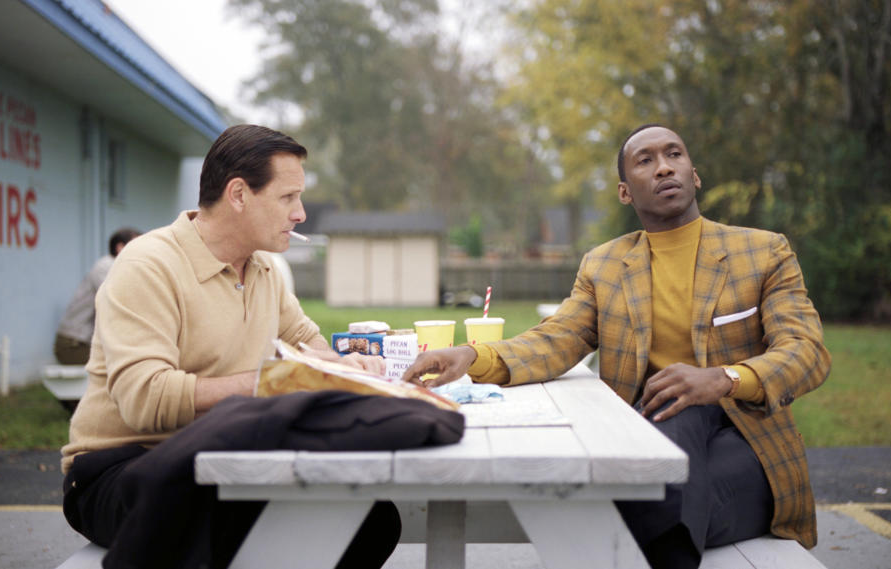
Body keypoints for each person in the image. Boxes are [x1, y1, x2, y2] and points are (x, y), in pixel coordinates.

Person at [402, 124, 831, 568]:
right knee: (665, 462)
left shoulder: (762, 252)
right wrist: (472, 356)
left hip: (747, 439)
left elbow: (806, 350)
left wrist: (721, 379)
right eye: (646, 160)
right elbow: (558, 338)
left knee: (634, 498)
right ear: (626, 193)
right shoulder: (604, 265)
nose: (664, 167)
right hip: (650, 436)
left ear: (695, 174)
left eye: (674, 155)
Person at [60, 125, 463, 569]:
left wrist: (349, 366)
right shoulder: (147, 265)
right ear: (238, 194)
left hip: (217, 458)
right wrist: (276, 382)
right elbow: (146, 400)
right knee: (266, 524)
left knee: (371, 519)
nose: (301, 214)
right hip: (120, 470)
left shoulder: (263, 269)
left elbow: (307, 344)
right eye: (288, 198)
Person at [53, 227, 141, 365]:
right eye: (136, 245)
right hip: (72, 345)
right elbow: (121, 301)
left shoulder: (119, 267)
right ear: (120, 247)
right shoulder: (106, 267)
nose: (142, 250)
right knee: (124, 365)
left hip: (83, 344)